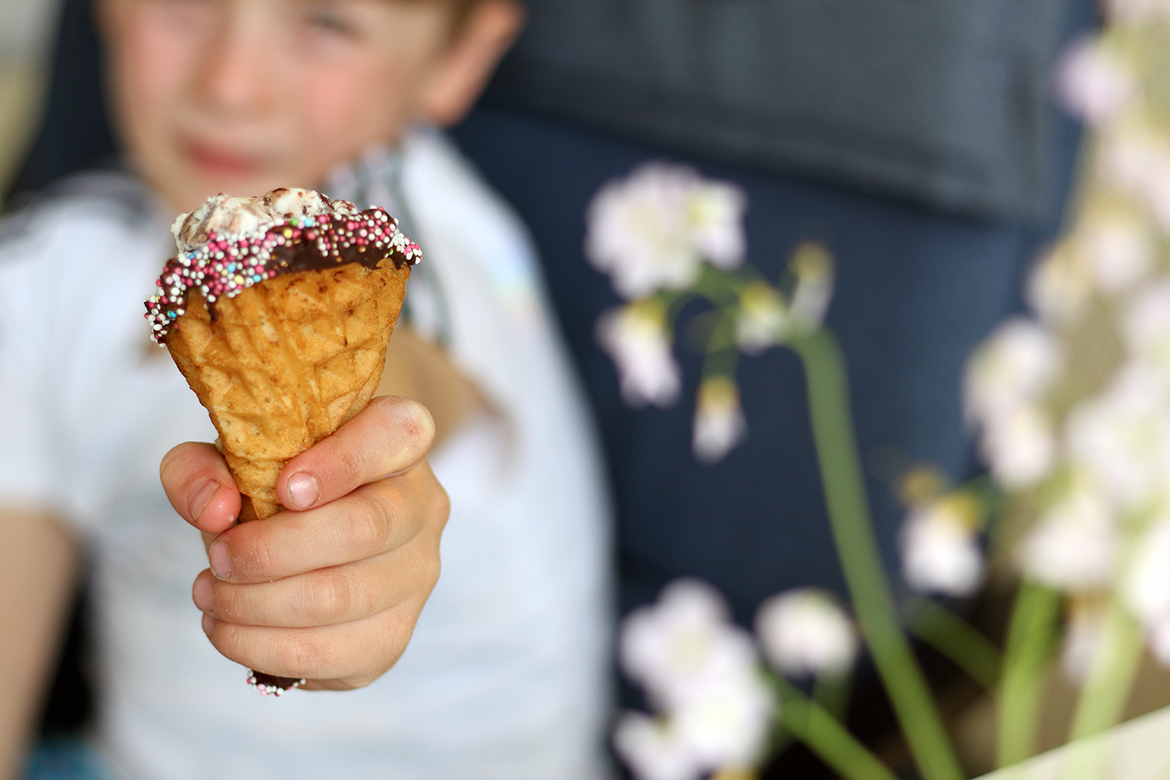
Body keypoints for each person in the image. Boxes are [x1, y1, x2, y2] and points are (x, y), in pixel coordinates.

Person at [0, 1, 612, 779]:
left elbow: (416, 370)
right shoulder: (39, 274)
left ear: (458, 58)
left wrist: (364, 489)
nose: (230, 85)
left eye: (328, 23)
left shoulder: (445, 239)